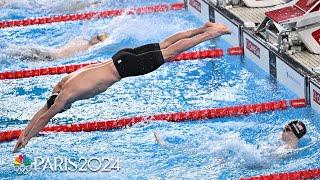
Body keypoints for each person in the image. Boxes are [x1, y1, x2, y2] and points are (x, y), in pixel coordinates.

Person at [13, 22, 231, 152]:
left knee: (169, 53)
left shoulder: (64, 99)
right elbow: (43, 110)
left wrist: (28, 139)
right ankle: (204, 28)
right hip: (119, 57)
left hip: (124, 68)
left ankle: (209, 34)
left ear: (60, 104)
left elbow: (45, 116)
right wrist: (24, 132)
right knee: (163, 44)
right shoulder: (63, 84)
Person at [8, 33, 108, 61]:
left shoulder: (88, 50)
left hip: (51, 58)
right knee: (17, 52)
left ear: (99, 43)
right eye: (97, 35)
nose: (95, 37)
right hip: (48, 52)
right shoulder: (80, 40)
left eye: (99, 38)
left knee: (18, 56)